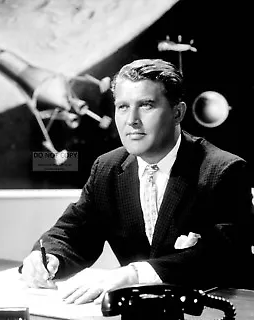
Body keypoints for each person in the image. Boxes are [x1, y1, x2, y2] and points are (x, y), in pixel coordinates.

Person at [20, 58, 253, 304]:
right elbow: (74, 233)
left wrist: (131, 275)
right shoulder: (107, 168)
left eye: (146, 105)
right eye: (122, 107)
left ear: (178, 112)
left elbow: (224, 256)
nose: (132, 120)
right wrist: (48, 258)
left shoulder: (224, 170)